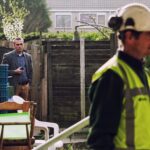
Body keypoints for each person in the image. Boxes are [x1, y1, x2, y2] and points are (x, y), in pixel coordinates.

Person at [87, 3, 150, 150]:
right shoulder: (111, 77)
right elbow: (100, 141)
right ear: (129, 37)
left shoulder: (144, 74)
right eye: (148, 35)